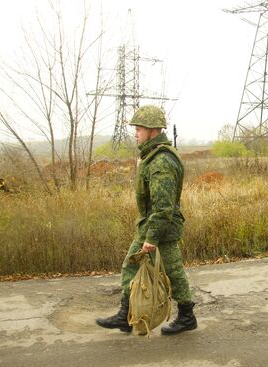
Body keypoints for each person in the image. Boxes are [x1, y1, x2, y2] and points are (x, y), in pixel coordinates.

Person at [96, 105, 197, 335]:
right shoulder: (152, 157)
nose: (135, 133)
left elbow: (163, 207)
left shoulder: (160, 162)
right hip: (152, 225)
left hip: (160, 227)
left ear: (152, 131)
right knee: (133, 266)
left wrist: (151, 238)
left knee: (172, 270)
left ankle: (187, 316)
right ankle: (125, 315)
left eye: (139, 129)